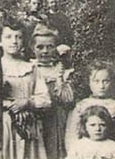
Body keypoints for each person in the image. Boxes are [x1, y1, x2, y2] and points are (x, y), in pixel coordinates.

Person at [0, 19, 50, 159]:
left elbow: (45, 99)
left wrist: (27, 103)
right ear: (0, 41)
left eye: (18, 37)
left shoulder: (31, 68)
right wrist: (10, 105)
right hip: (4, 124)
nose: (14, 41)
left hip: (29, 124)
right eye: (8, 37)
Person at [65, 61, 115, 154]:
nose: (101, 86)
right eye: (96, 81)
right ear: (88, 82)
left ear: (112, 82)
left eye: (106, 81)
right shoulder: (81, 106)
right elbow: (72, 135)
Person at [31, 25, 74, 159]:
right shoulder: (29, 68)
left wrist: (60, 78)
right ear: (32, 48)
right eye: (40, 47)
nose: (45, 51)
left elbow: (68, 100)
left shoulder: (61, 70)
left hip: (56, 119)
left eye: (50, 47)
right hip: (35, 118)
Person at [45, 0, 74, 66]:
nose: (54, 4)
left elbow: (69, 33)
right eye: (51, 2)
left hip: (63, 48)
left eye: (56, 2)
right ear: (48, 4)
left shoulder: (64, 17)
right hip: (49, 47)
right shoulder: (45, 17)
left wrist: (67, 45)